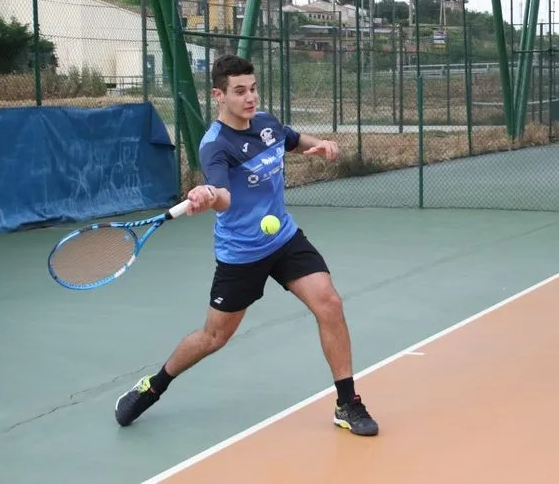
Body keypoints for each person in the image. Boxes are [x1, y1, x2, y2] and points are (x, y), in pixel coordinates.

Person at [114, 54, 380, 435]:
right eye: (239, 91)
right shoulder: (215, 145)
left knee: (330, 304)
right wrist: (208, 194)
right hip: (241, 253)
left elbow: (290, 139)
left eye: (253, 89)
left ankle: (347, 404)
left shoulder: (266, 123)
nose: (250, 97)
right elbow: (224, 196)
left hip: (283, 238)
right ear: (219, 95)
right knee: (214, 337)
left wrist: (319, 144)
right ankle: (154, 386)